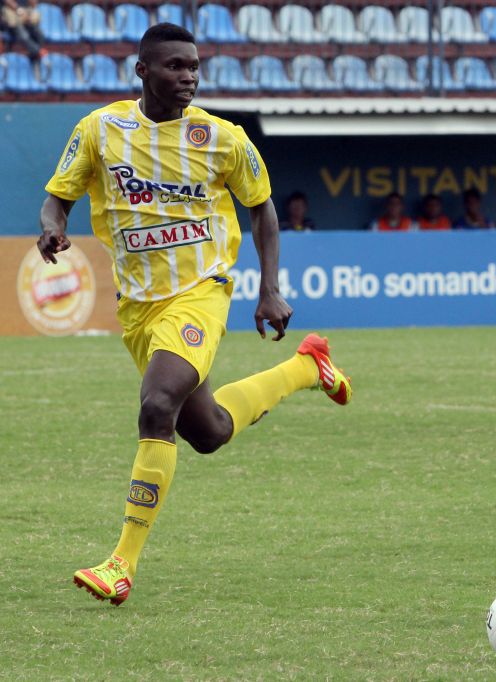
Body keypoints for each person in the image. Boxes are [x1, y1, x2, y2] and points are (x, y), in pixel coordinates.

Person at [39, 24, 353, 607]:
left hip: (201, 292)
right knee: (207, 432)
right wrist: (54, 225)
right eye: (175, 67)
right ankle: (308, 367)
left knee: (157, 404)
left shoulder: (223, 138)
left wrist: (269, 289)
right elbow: (59, 193)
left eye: (194, 67)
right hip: (138, 305)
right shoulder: (100, 131)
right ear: (142, 71)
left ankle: (121, 564)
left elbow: (262, 210)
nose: (189, 77)